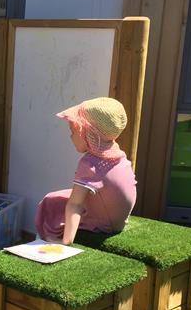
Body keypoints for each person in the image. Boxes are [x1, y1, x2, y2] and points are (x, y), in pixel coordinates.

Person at [34, 97, 137, 246]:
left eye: (73, 131)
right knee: (62, 196)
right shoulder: (116, 154)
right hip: (119, 220)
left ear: (88, 134)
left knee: (50, 202)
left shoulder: (90, 163)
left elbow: (75, 204)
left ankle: (47, 240)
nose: (71, 136)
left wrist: (67, 242)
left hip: (104, 225)